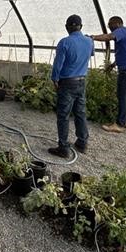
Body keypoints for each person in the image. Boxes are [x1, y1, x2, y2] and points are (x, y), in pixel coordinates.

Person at [48, 14, 94, 158]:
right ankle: (82, 143)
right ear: (81, 26)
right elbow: (90, 55)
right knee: (80, 113)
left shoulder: (64, 42)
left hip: (67, 82)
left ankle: (63, 147)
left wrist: (55, 79)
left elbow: (58, 64)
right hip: (81, 81)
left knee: (63, 115)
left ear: (67, 27)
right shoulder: (89, 41)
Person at [90, 16, 126, 133]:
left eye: (110, 25)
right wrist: (113, 65)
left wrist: (93, 37)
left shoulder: (122, 31)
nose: (109, 27)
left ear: (117, 23)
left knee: (122, 95)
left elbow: (108, 37)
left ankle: (119, 124)